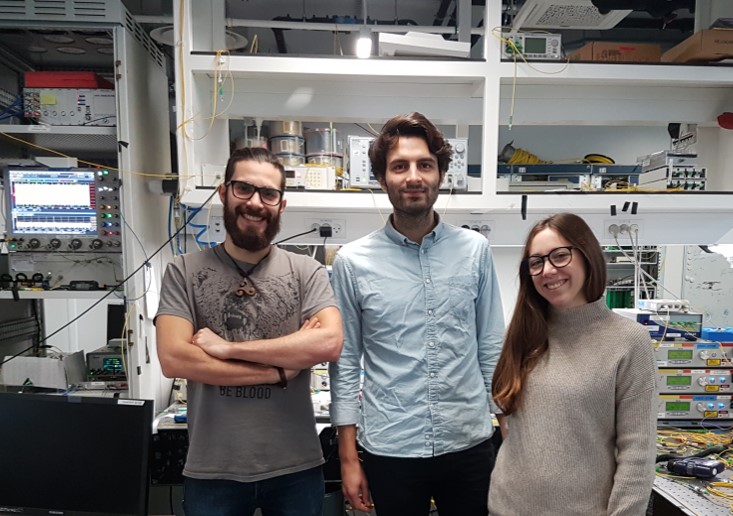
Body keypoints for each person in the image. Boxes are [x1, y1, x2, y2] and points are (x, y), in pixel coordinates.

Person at [329, 112, 506, 516]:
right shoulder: (352, 262)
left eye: (425, 165)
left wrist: (510, 440)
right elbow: (346, 362)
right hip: (392, 448)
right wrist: (348, 459)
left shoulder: (474, 251)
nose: (413, 177)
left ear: (440, 174)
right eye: (400, 166)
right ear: (381, 178)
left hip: (468, 443)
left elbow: (491, 348)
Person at [155, 147, 343, 516]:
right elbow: (174, 358)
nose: (255, 203)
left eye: (268, 193)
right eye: (244, 189)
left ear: (281, 205)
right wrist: (279, 371)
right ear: (224, 193)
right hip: (213, 471)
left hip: (296, 467)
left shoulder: (307, 271)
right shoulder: (184, 271)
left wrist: (226, 349)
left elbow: (329, 342)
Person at [489, 212, 657, 516]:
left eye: (560, 256)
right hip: (506, 508)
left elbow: (637, 452)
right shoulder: (521, 334)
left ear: (587, 255)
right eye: (536, 262)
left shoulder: (629, 340)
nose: (547, 270)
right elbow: (509, 417)